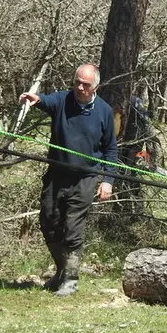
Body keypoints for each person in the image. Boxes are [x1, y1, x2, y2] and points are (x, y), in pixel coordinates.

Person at [19, 64, 117, 296]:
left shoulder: (104, 111)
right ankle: (62, 271)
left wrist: (108, 181)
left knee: (73, 229)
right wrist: (35, 99)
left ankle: (71, 280)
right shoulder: (63, 100)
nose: (80, 88)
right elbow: (45, 101)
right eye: (77, 82)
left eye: (86, 84)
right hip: (56, 175)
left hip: (85, 178)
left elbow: (111, 150)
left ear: (95, 87)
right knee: (49, 223)